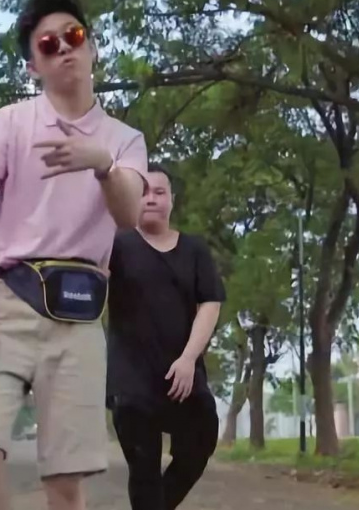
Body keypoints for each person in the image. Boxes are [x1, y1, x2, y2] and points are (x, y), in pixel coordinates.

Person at [0, 0, 148, 510]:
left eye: (73, 36)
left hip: (78, 315)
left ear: (93, 46)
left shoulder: (125, 140)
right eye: (47, 44)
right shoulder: (11, 121)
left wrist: (101, 163)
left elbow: (129, 215)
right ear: (33, 66)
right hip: (4, 302)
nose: (63, 48)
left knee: (65, 479)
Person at [106, 163, 226, 510]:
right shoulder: (116, 246)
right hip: (131, 380)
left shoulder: (195, 249)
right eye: (143, 192)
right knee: (143, 469)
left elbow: (210, 303)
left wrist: (189, 358)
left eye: (159, 192)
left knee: (201, 440)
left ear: (172, 200)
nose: (151, 199)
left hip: (182, 374)